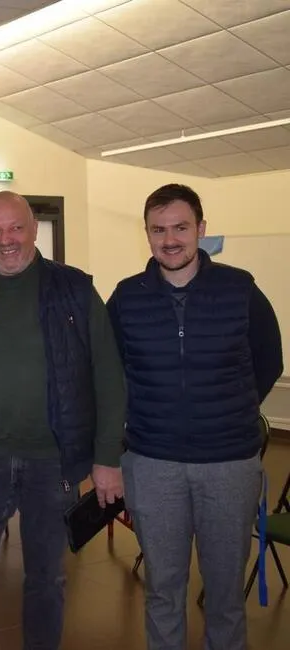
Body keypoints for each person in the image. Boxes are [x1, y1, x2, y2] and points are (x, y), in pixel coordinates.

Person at [0, 191, 127, 650]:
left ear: (34, 228)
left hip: (51, 464)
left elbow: (108, 376)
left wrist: (106, 457)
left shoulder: (74, 289)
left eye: (16, 227)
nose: (7, 240)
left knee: (46, 578)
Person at [107, 183, 283, 650]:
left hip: (229, 466)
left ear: (201, 229)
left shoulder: (240, 289)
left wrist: (231, 410)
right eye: (158, 230)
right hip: (152, 464)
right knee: (162, 590)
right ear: (147, 233)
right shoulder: (126, 298)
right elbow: (108, 373)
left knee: (225, 595)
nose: (170, 240)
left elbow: (269, 360)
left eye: (180, 228)